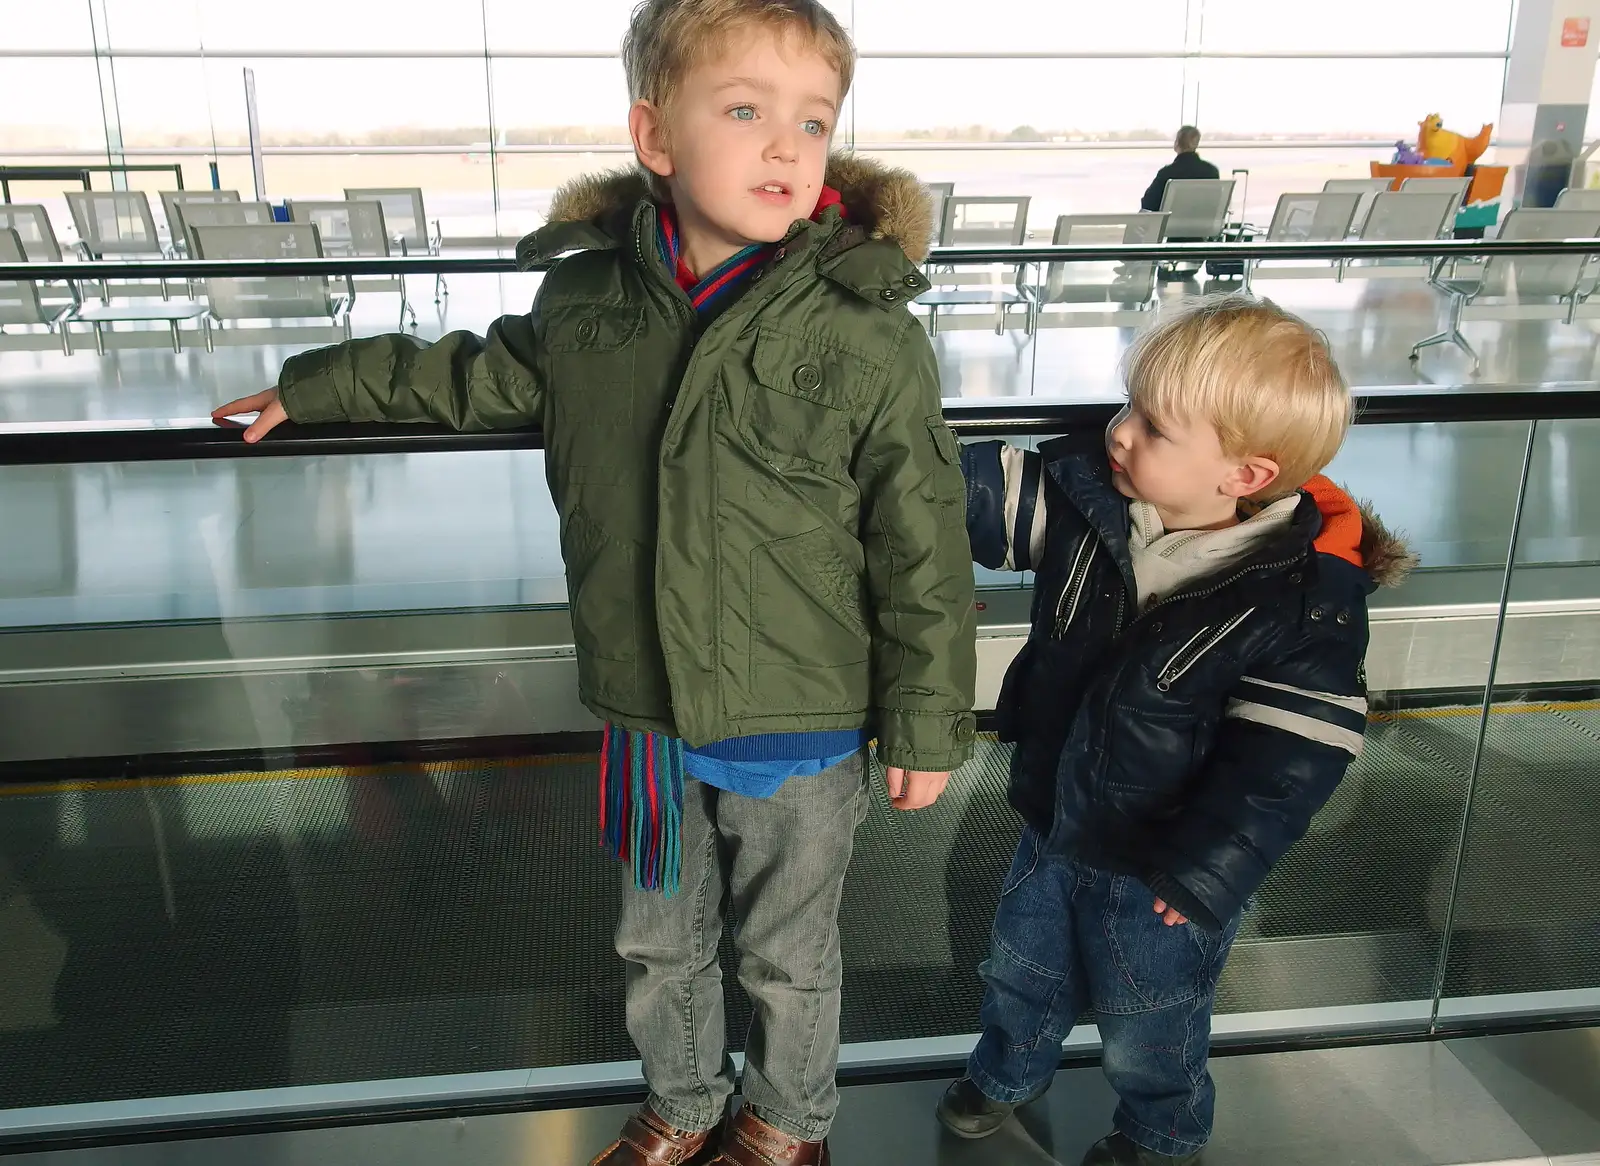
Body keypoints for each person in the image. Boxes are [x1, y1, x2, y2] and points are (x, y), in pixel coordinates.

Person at [212, 2, 978, 1163]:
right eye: (745, 111)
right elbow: (464, 376)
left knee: (788, 950)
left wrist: (926, 715)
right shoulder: (585, 310)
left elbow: (920, 535)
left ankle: (787, 1122)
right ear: (655, 137)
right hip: (646, 712)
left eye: (812, 121)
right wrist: (316, 387)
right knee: (657, 941)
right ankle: (684, 1100)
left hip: (802, 717)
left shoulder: (861, 328)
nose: (785, 145)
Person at [934, 296, 1413, 1165]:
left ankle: (1163, 1130)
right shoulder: (1093, 509)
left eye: (1153, 426)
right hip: (1055, 821)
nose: (1118, 433)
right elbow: (970, 490)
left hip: (1163, 870)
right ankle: (1005, 1072)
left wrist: (1204, 872)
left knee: (1150, 1017)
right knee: (1019, 970)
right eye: (1127, 406)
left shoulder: (1304, 604)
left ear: (1245, 476)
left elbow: (1288, 763)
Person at [1140, 126, 1220, 214]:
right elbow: (1215, 204)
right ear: (1196, 144)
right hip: (1203, 226)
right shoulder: (1212, 171)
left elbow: (1148, 204)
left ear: (1176, 144)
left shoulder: (1167, 173)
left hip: (1171, 227)